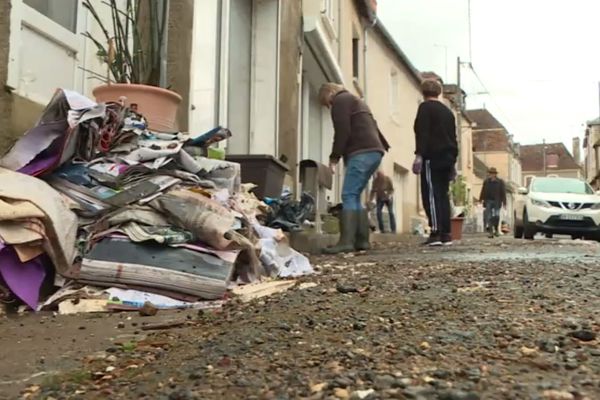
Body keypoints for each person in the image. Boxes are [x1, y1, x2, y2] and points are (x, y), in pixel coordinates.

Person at [319, 83, 390, 254]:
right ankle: (362, 241)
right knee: (355, 196)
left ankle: (346, 242)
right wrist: (379, 162)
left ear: (330, 94)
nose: (329, 107)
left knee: (348, 195)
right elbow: (374, 128)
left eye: (327, 103)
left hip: (361, 152)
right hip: (374, 151)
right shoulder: (357, 101)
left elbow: (342, 130)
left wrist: (334, 157)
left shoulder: (340, 101)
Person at [412, 79, 458, 246]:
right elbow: (453, 137)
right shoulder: (447, 112)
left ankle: (436, 231)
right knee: (443, 194)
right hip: (447, 157)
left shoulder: (425, 108)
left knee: (431, 193)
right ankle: (446, 233)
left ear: (423, 92)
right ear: (439, 92)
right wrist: (453, 161)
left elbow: (423, 133)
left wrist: (419, 155)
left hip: (432, 156)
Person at [479, 167, 507, 238]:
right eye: (490, 173)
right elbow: (483, 191)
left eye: (492, 173)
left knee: (497, 216)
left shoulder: (500, 182)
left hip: (497, 201)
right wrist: (480, 199)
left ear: (495, 174)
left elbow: (503, 192)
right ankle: (491, 232)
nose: (491, 175)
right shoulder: (486, 182)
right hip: (488, 201)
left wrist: (504, 202)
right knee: (489, 217)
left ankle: (496, 229)